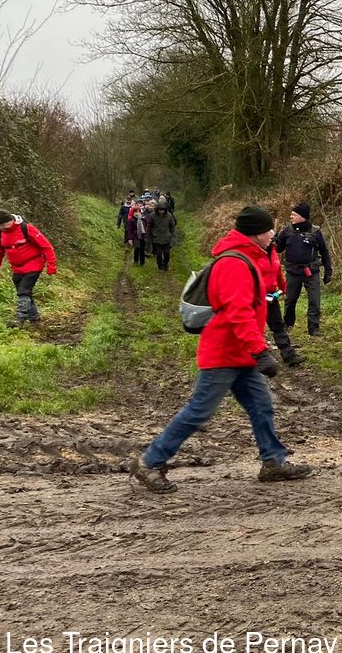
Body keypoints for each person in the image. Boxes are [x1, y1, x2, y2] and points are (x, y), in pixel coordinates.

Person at [129, 206, 313, 494]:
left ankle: (273, 462)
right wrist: (260, 350)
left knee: (261, 405)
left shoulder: (247, 257)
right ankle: (149, 463)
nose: (272, 234)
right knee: (198, 411)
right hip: (224, 353)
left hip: (241, 353)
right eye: (268, 230)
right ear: (255, 233)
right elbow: (238, 313)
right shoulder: (234, 264)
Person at [0, 210, 57, 328]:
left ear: (10, 220)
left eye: (4, 225)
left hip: (34, 265)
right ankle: (35, 320)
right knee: (25, 294)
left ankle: (19, 319)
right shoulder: (0, 234)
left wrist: (51, 265)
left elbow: (46, 247)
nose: (2, 228)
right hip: (17, 268)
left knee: (23, 291)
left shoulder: (27, 228)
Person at [275, 202, 333, 336]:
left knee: (314, 301)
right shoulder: (286, 231)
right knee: (290, 300)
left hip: (311, 272)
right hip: (292, 272)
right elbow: (279, 249)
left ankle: (314, 328)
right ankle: (288, 324)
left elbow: (324, 252)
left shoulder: (315, 231)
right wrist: (276, 240)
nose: (291, 217)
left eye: (293, 214)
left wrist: (328, 271)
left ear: (303, 217)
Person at [262, 231, 305, 367]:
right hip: (255, 296)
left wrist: (283, 287)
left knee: (278, 325)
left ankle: (289, 355)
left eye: (273, 239)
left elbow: (277, 271)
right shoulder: (252, 254)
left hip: (270, 295)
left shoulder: (272, 251)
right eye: (270, 238)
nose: (272, 241)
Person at [149, 202, 177, 271]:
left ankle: (165, 264)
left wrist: (172, 235)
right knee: (158, 254)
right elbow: (149, 226)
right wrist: (150, 234)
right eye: (160, 210)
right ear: (157, 210)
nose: (161, 211)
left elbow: (172, 226)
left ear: (165, 210)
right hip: (156, 238)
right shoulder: (152, 215)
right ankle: (160, 266)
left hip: (166, 238)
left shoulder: (169, 216)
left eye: (163, 210)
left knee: (166, 253)